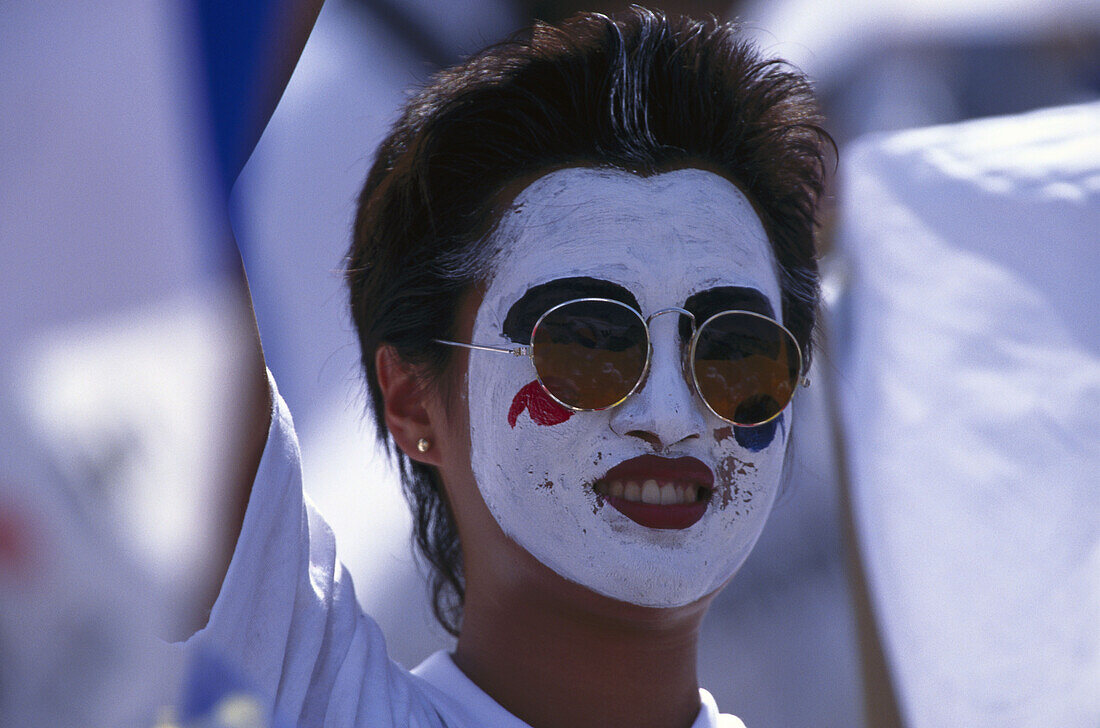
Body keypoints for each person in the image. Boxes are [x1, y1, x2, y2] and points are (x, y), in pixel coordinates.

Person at [186, 8, 829, 727]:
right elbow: (141, 186)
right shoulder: (304, 701)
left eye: (734, 353)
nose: (672, 418)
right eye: (588, 343)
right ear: (413, 402)